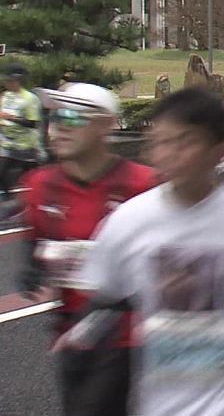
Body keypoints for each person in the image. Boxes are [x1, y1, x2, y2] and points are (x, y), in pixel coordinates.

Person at [72, 88, 224, 416]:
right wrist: (85, 334)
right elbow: (106, 296)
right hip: (161, 404)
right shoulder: (128, 221)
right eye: (161, 142)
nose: (170, 153)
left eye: (185, 141)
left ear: (220, 149)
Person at [18, 83, 158, 416]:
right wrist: (32, 267)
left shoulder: (144, 184)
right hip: (72, 330)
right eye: (54, 117)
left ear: (107, 125)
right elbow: (37, 240)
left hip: (134, 334)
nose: (60, 127)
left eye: (73, 117)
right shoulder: (39, 185)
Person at [1, 64, 42, 203]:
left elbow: (33, 123)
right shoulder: (6, 96)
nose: (7, 83)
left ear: (18, 81)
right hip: (6, 141)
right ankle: (11, 199)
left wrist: (11, 117)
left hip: (23, 144)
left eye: (10, 81)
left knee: (27, 175)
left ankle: (17, 200)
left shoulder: (30, 99)